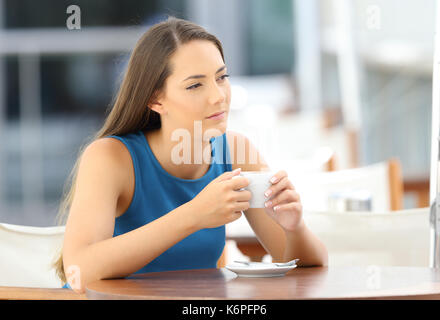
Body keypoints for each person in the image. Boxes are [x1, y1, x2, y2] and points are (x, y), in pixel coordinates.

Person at [53, 17, 328, 294]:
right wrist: (194, 214)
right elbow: (79, 269)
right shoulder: (111, 157)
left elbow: (303, 268)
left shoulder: (236, 152)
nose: (218, 96)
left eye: (221, 77)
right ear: (155, 100)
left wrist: (294, 228)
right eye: (195, 85)